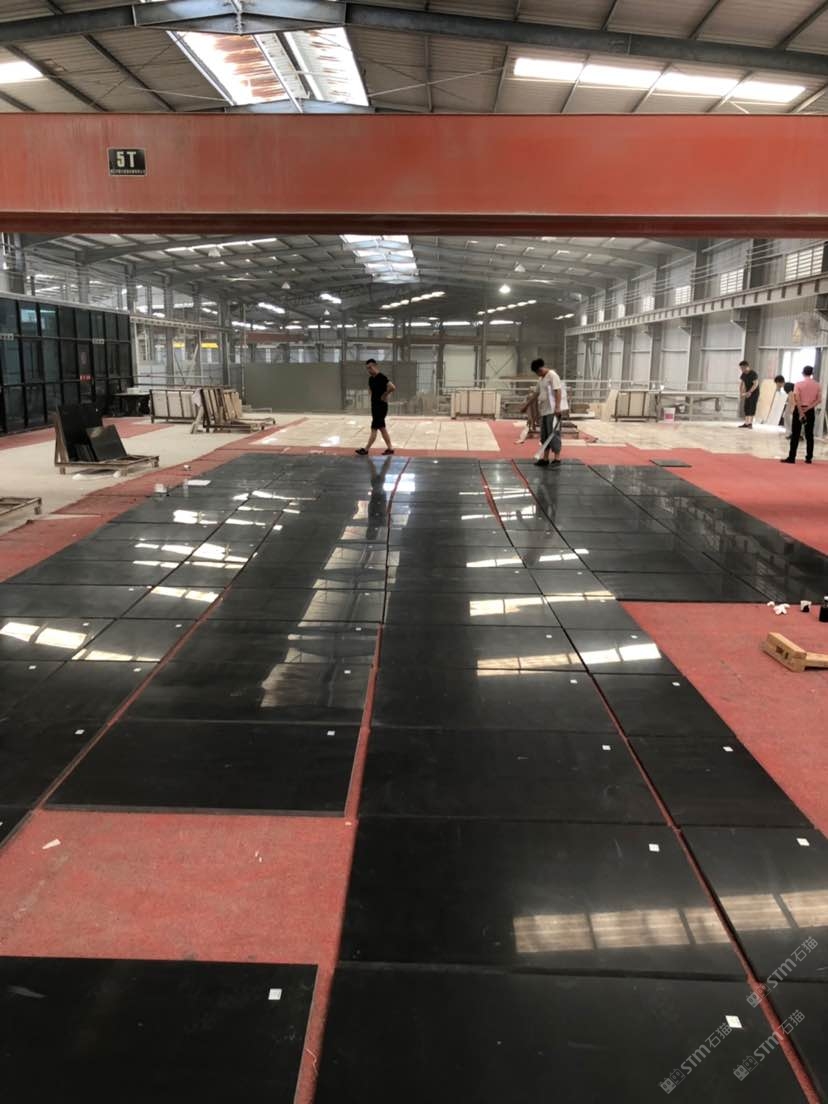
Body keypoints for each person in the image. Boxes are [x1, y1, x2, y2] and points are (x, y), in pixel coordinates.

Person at [521, 358, 562, 466]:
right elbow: (535, 394)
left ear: (540, 369)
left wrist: (558, 407)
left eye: (537, 372)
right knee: (544, 436)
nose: (537, 374)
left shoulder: (552, 375)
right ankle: (545, 458)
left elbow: (558, 390)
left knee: (553, 434)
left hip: (552, 411)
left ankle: (557, 458)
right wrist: (526, 405)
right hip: (543, 411)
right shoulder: (541, 379)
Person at [781, 365, 821, 465]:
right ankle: (809, 458)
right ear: (812, 373)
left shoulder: (798, 384)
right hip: (810, 410)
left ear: (803, 373)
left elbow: (797, 399)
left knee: (795, 434)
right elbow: (819, 400)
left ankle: (792, 457)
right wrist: (807, 408)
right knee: (809, 435)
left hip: (798, 410)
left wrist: (801, 412)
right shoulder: (817, 385)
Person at [355, 358, 395, 456]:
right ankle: (390, 448)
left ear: (375, 366)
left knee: (375, 428)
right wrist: (372, 396)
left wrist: (385, 395)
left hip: (381, 407)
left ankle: (366, 449)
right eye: (367, 368)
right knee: (381, 428)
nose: (369, 370)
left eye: (370, 367)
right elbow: (370, 389)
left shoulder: (382, 377)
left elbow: (392, 387)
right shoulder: (371, 379)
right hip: (375, 406)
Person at [738, 359, 759, 428]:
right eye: (741, 368)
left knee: (752, 407)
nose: (741, 369)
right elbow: (742, 383)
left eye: (742, 368)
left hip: (754, 392)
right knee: (746, 407)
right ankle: (746, 423)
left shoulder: (753, 373)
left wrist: (750, 392)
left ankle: (750, 423)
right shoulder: (743, 374)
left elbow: (755, 384)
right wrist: (741, 392)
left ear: (746, 367)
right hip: (747, 392)